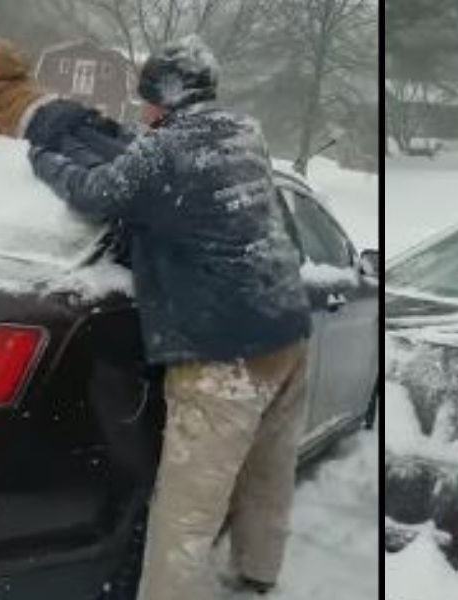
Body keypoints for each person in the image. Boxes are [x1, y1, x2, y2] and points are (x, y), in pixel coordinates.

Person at [23, 36, 312, 600]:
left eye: (147, 99)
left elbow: (94, 192)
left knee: (188, 509)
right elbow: (156, 158)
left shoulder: (165, 152)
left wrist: (44, 156)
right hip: (290, 331)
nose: (143, 111)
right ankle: (257, 572)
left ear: (164, 97)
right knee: (267, 472)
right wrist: (103, 133)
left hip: (223, 351)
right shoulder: (243, 133)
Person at [0, 14, 128, 165]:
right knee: (118, 151)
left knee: (105, 173)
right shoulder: (0, 64)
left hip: (37, 126)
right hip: (59, 106)